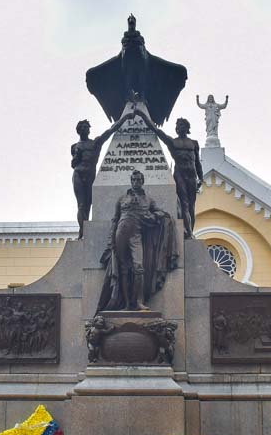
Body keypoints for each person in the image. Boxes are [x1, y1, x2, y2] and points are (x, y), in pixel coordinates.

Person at [97, 170, 178, 312]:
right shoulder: (122, 198)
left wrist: (153, 217)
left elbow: (160, 212)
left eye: (138, 180)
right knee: (124, 269)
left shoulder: (148, 200)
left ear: (142, 182)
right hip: (120, 234)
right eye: (133, 180)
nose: (135, 182)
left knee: (138, 267)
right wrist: (111, 240)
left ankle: (139, 301)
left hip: (136, 236)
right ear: (131, 181)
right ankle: (127, 304)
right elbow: (115, 219)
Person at [136, 108, 204, 239]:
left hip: (192, 176)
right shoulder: (173, 142)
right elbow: (156, 130)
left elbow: (198, 163)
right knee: (184, 203)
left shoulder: (193, 143)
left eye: (182, 125)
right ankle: (188, 232)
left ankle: (190, 232)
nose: (179, 127)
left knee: (191, 205)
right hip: (180, 175)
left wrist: (200, 178)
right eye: (178, 125)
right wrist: (143, 116)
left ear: (187, 127)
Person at [72, 112, 132, 237]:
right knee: (81, 204)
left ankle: (86, 229)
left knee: (89, 203)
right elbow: (73, 164)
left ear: (89, 130)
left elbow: (111, 130)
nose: (85, 129)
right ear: (78, 131)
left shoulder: (95, 143)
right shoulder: (75, 146)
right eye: (82, 127)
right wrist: (77, 155)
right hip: (78, 174)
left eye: (86, 127)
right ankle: (82, 231)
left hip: (90, 175)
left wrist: (124, 117)